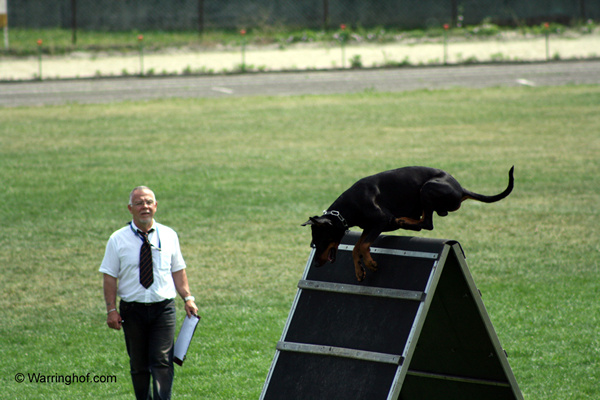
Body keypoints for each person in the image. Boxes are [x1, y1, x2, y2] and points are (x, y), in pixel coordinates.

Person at [100, 186, 199, 400]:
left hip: (163, 309)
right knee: (138, 364)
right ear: (130, 208)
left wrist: (188, 298)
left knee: (162, 361)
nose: (144, 207)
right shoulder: (117, 239)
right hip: (132, 310)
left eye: (148, 202)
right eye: (139, 203)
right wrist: (111, 310)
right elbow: (109, 276)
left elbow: (178, 270)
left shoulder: (169, 235)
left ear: (155, 206)